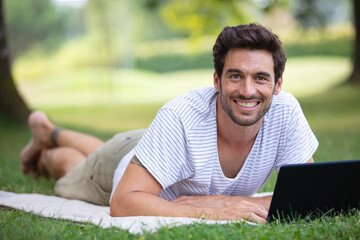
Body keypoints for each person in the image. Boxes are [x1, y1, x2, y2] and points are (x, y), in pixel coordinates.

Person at [20, 23, 318, 224]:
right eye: (236, 75)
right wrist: (211, 209)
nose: (248, 90)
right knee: (75, 170)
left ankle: (49, 131)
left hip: (153, 151)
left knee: (109, 148)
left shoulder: (286, 111)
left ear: (278, 85)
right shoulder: (180, 118)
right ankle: (48, 148)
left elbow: (307, 195)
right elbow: (122, 202)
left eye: (261, 78)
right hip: (120, 166)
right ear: (217, 80)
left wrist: (226, 200)